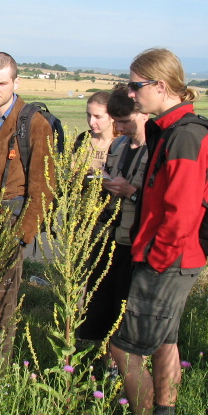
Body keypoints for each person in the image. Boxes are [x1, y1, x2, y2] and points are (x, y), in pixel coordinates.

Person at [109, 48, 208, 415]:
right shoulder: (172, 130)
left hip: (167, 262)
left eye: (135, 86)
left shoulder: (185, 137)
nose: (131, 94)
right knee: (164, 341)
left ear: (160, 85)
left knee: (123, 348)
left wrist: (156, 260)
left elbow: (181, 212)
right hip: (173, 259)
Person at [0, 52, 55, 356]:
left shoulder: (33, 123)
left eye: (1, 83)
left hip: (11, 216)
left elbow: (43, 187)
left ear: (16, 82)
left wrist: (22, 235)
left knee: (2, 300)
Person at [77, 86, 149, 343]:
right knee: (98, 301)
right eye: (117, 121)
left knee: (125, 305)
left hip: (135, 240)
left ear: (143, 115)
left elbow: (163, 200)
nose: (120, 126)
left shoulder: (155, 148)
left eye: (124, 121)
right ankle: (94, 355)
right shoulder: (119, 145)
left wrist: (131, 192)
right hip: (108, 233)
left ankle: (120, 361)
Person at [75, 91, 115, 173]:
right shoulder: (82, 139)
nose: (91, 122)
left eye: (97, 117)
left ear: (112, 116)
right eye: (89, 115)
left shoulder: (121, 144)